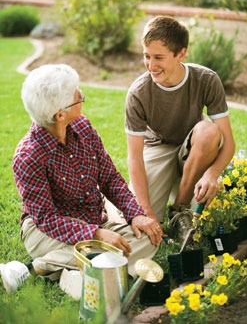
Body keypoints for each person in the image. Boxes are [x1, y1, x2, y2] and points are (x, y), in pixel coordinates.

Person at [0, 64, 162, 294]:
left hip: (94, 215)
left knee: (144, 237)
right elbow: (47, 219)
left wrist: (135, 214)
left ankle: (78, 273)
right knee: (108, 247)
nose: (82, 96)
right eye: (77, 96)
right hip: (47, 231)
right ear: (60, 114)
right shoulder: (28, 156)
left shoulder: (83, 127)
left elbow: (110, 178)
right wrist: (95, 235)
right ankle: (35, 268)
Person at [125, 15, 235, 241]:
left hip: (194, 146)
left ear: (181, 54)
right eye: (147, 56)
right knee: (132, 219)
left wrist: (211, 175)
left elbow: (229, 143)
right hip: (156, 147)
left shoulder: (207, 80)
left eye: (158, 58)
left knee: (209, 131)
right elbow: (134, 157)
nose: (151, 66)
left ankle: (180, 208)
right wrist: (147, 213)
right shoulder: (138, 93)